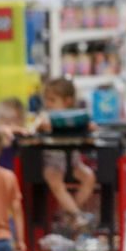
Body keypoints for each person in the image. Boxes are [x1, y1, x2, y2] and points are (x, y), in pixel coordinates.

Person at [35, 78, 96, 224]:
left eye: (52, 100)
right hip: (52, 163)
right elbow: (36, 128)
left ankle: (70, 212)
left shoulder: (77, 117)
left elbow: (91, 128)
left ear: (67, 101)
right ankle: (76, 215)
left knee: (90, 177)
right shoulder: (45, 117)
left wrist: (90, 127)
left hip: (74, 163)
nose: (48, 104)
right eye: (47, 100)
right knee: (55, 182)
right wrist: (41, 128)